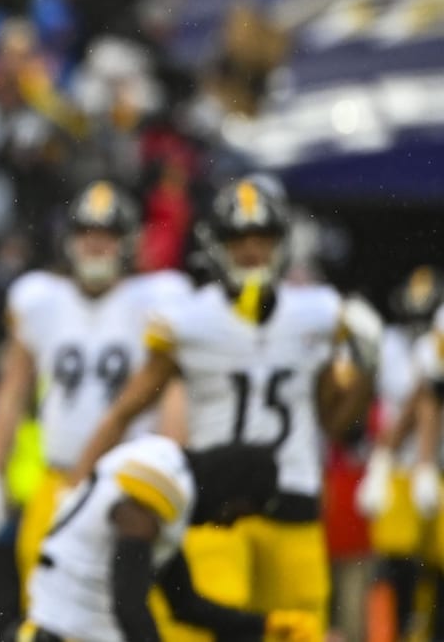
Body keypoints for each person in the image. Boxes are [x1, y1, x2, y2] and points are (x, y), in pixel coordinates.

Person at [70, 175, 380, 638]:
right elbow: (125, 409)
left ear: (282, 243)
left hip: (294, 511)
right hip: (216, 514)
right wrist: (79, 487)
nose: (252, 251)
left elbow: (335, 423)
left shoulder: (316, 313)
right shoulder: (188, 320)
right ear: (217, 245)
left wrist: (367, 369)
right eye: (239, 239)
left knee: (300, 632)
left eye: (262, 238)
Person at [0, 180, 190, 597]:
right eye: (87, 233)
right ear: (68, 240)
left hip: (129, 486)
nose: (96, 245)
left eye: (108, 235)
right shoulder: (40, 300)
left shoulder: (158, 299)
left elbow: (173, 394)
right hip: (59, 479)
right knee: (44, 607)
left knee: (124, 610)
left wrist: (169, 474)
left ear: (128, 241)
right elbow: (11, 393)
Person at [8, 434, 318, 642]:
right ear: (233, 497)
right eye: (239, 514)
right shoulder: (163, 486)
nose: (229, 526)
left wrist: (266, 625)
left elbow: (185, 604)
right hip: (61, 632)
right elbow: (129, 606)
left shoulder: (173, 483)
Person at [354, 265, 444, 638]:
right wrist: (381, 462)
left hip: (431, 466)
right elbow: (419, 402)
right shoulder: (393, 344)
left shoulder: (429, 344)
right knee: (396, 563)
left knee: (434, 567)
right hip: (404, 469)